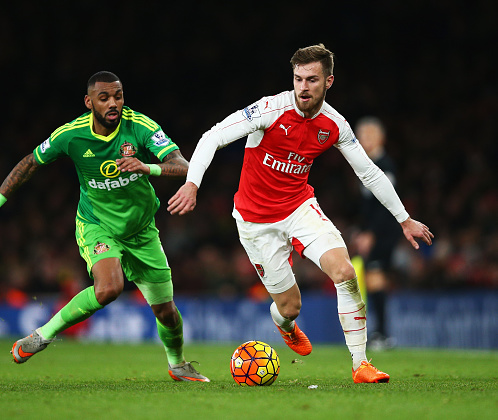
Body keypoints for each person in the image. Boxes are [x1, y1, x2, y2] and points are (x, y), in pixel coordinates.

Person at [167, 44, 433, 383]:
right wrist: (193, 184)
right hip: (255, 221)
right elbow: (212, 137)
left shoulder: (334, 124)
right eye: (297, 79)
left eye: (311, 80)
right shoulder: (269, 110)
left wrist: (404, 219)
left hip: (298, 208)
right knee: (290, 307)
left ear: (329, 81)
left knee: (345, 271)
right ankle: (285, 324)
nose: (303, 87)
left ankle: (361, 364)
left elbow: (368, 172)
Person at [0, 71, 209, 382]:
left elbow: (185, 165)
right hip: (97, 225)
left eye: (118, 96)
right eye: (104, 98)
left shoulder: (140, 126)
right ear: (89, 102)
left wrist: (148, 166)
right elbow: (30, 162)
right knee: (109, 288)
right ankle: (42, 336)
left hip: (142, 231)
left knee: (167, 313)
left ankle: (178, 365)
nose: (113, 103)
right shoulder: (71, 134)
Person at [353, 116, 402, 350]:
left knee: (376, 279)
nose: (365, 139)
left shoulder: (385, 165)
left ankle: (382, 334)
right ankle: (380, 332)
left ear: (381, 137)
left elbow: (386, 203)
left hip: (384, 232)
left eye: (370, 135)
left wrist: (370, 233)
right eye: (362, 135)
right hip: (374, 231)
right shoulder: (367, 165)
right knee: (374, 280)